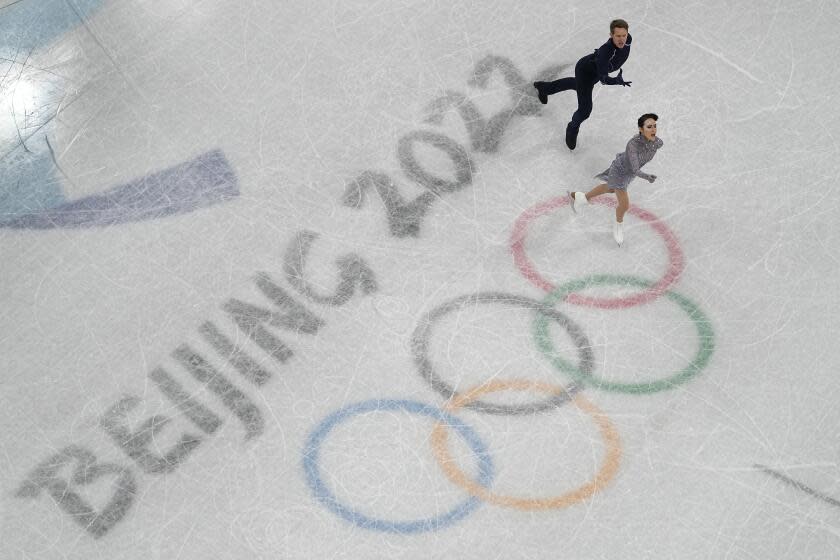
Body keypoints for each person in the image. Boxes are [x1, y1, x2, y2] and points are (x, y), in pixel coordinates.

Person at [533, 19, 633, 150]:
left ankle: (544, 88)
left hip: (594, 71)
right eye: (618, 36)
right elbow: (603, 79)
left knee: (577, 85)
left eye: (624, 35)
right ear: (611, 35)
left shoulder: (628, 39)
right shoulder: (605, 53)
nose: (622, 39)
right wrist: (615, 80)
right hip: (585, 72)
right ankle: (572, 127)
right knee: (585, 110)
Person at [568, 113, 663, 246]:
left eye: (654, 126)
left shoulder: (657, 143)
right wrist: (647, 177)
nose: (653, 130)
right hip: (620, 171)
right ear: (641, 129)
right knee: (624, 205)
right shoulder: (633, 145)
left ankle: (581, 197)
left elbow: (637, 167)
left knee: (609, 188)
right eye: (649, 127)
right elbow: (636, 168)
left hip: (629, 174)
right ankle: (618, 226)